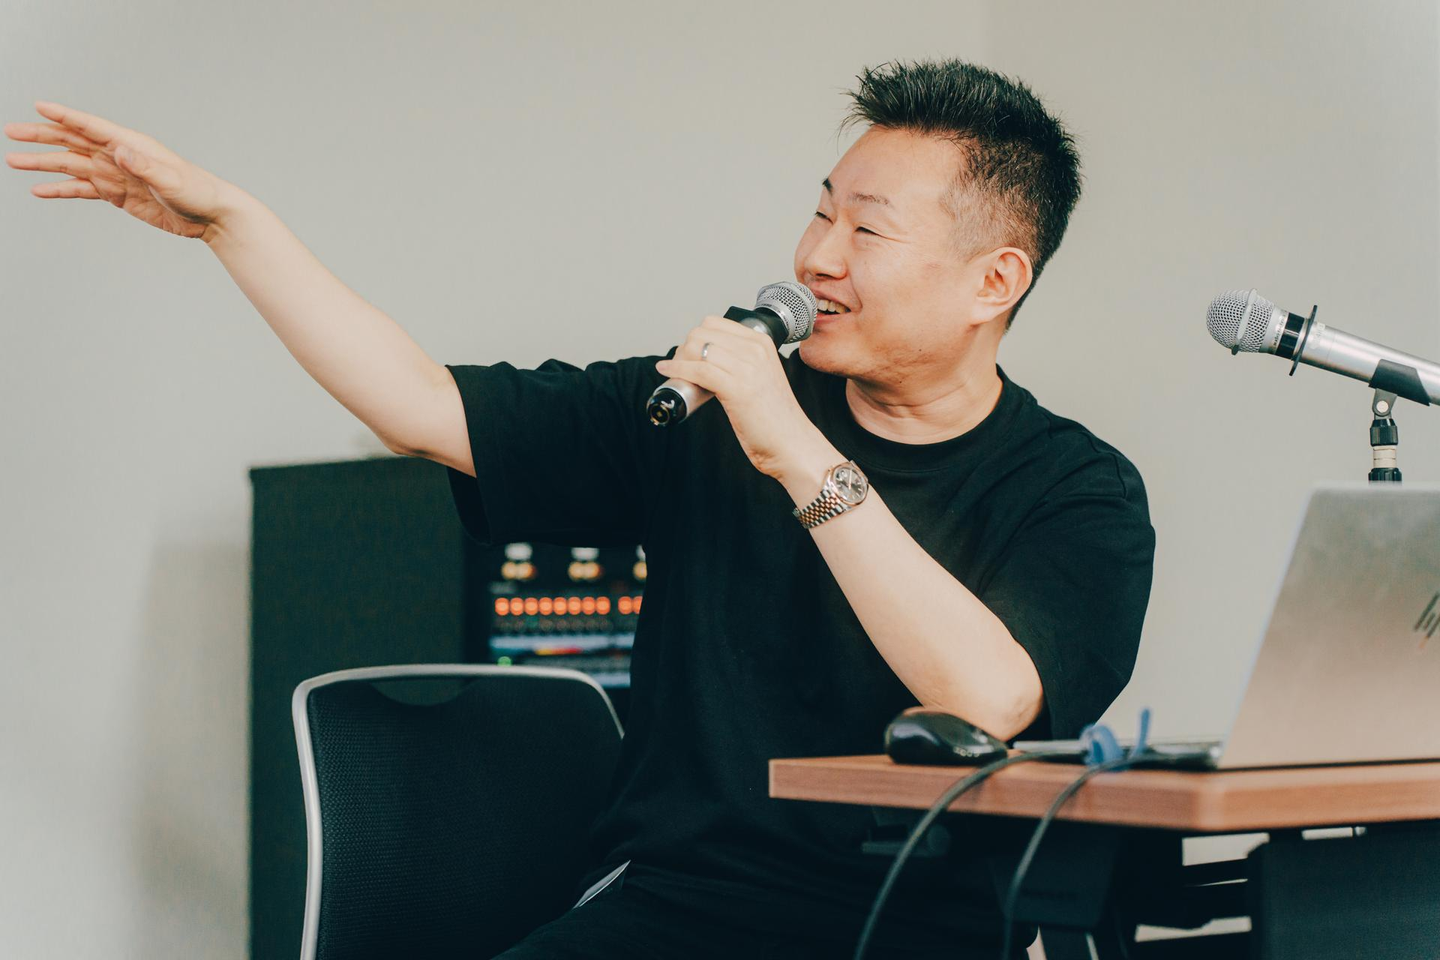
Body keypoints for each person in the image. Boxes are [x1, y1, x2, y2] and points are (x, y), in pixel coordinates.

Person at [5, 58, 1154, 959]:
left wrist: (794, 451)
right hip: (672, 913)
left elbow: (987, 696)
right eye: (819, 213)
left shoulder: (1074, 490)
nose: (815, 258)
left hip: (922, 935)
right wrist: (232, 226)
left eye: (868, 230)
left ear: (994, 281)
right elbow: (421, 406)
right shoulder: (713, 411)